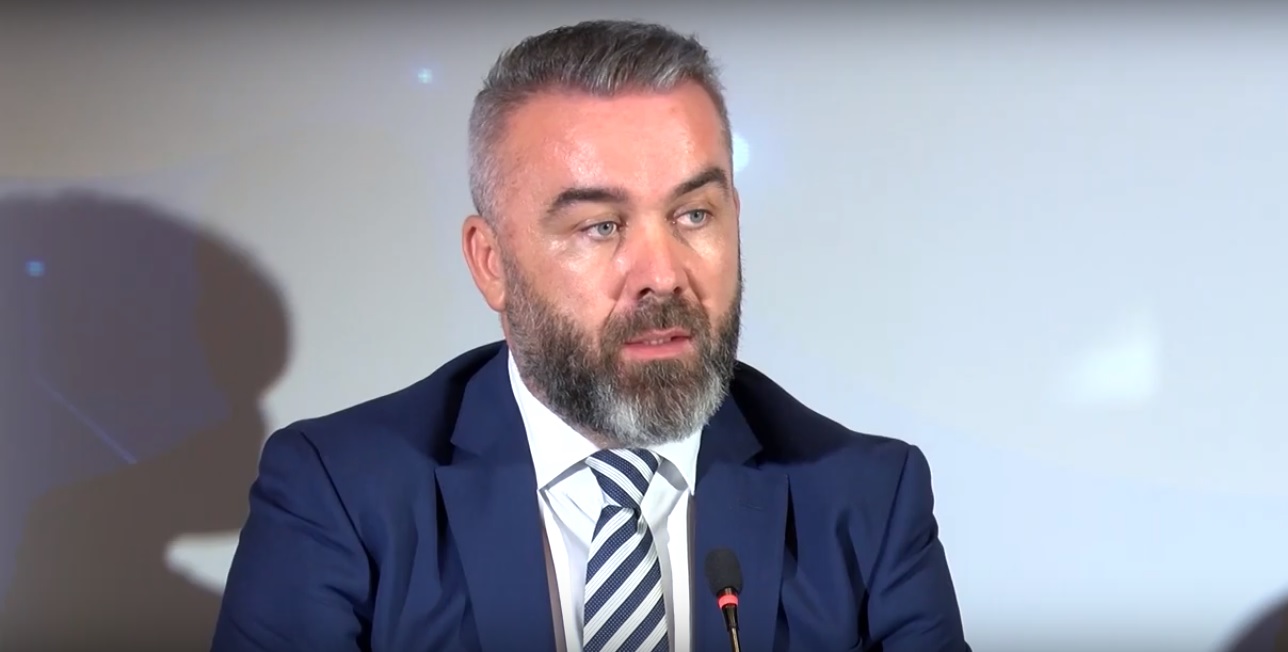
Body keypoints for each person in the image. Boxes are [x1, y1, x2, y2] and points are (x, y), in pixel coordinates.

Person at [212, 19, 970, 652]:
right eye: (600, 226)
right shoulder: (342, 499)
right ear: (491, 263)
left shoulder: (865, 502)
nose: (662, 275)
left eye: (694, 215)